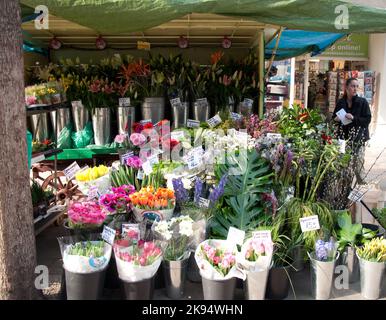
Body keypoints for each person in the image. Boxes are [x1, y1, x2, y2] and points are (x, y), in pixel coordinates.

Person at [333, 77, 372, 149]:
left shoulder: (363, 102)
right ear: (346, 87)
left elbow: (367, 120)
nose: (355, 89)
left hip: (358, 138)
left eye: (357, 86)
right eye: (353, 86)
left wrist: (353, 118)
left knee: (355, 159)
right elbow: (334, 118)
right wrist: (336, 119)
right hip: (342, 137)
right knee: (340, 158)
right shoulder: (341, 102)